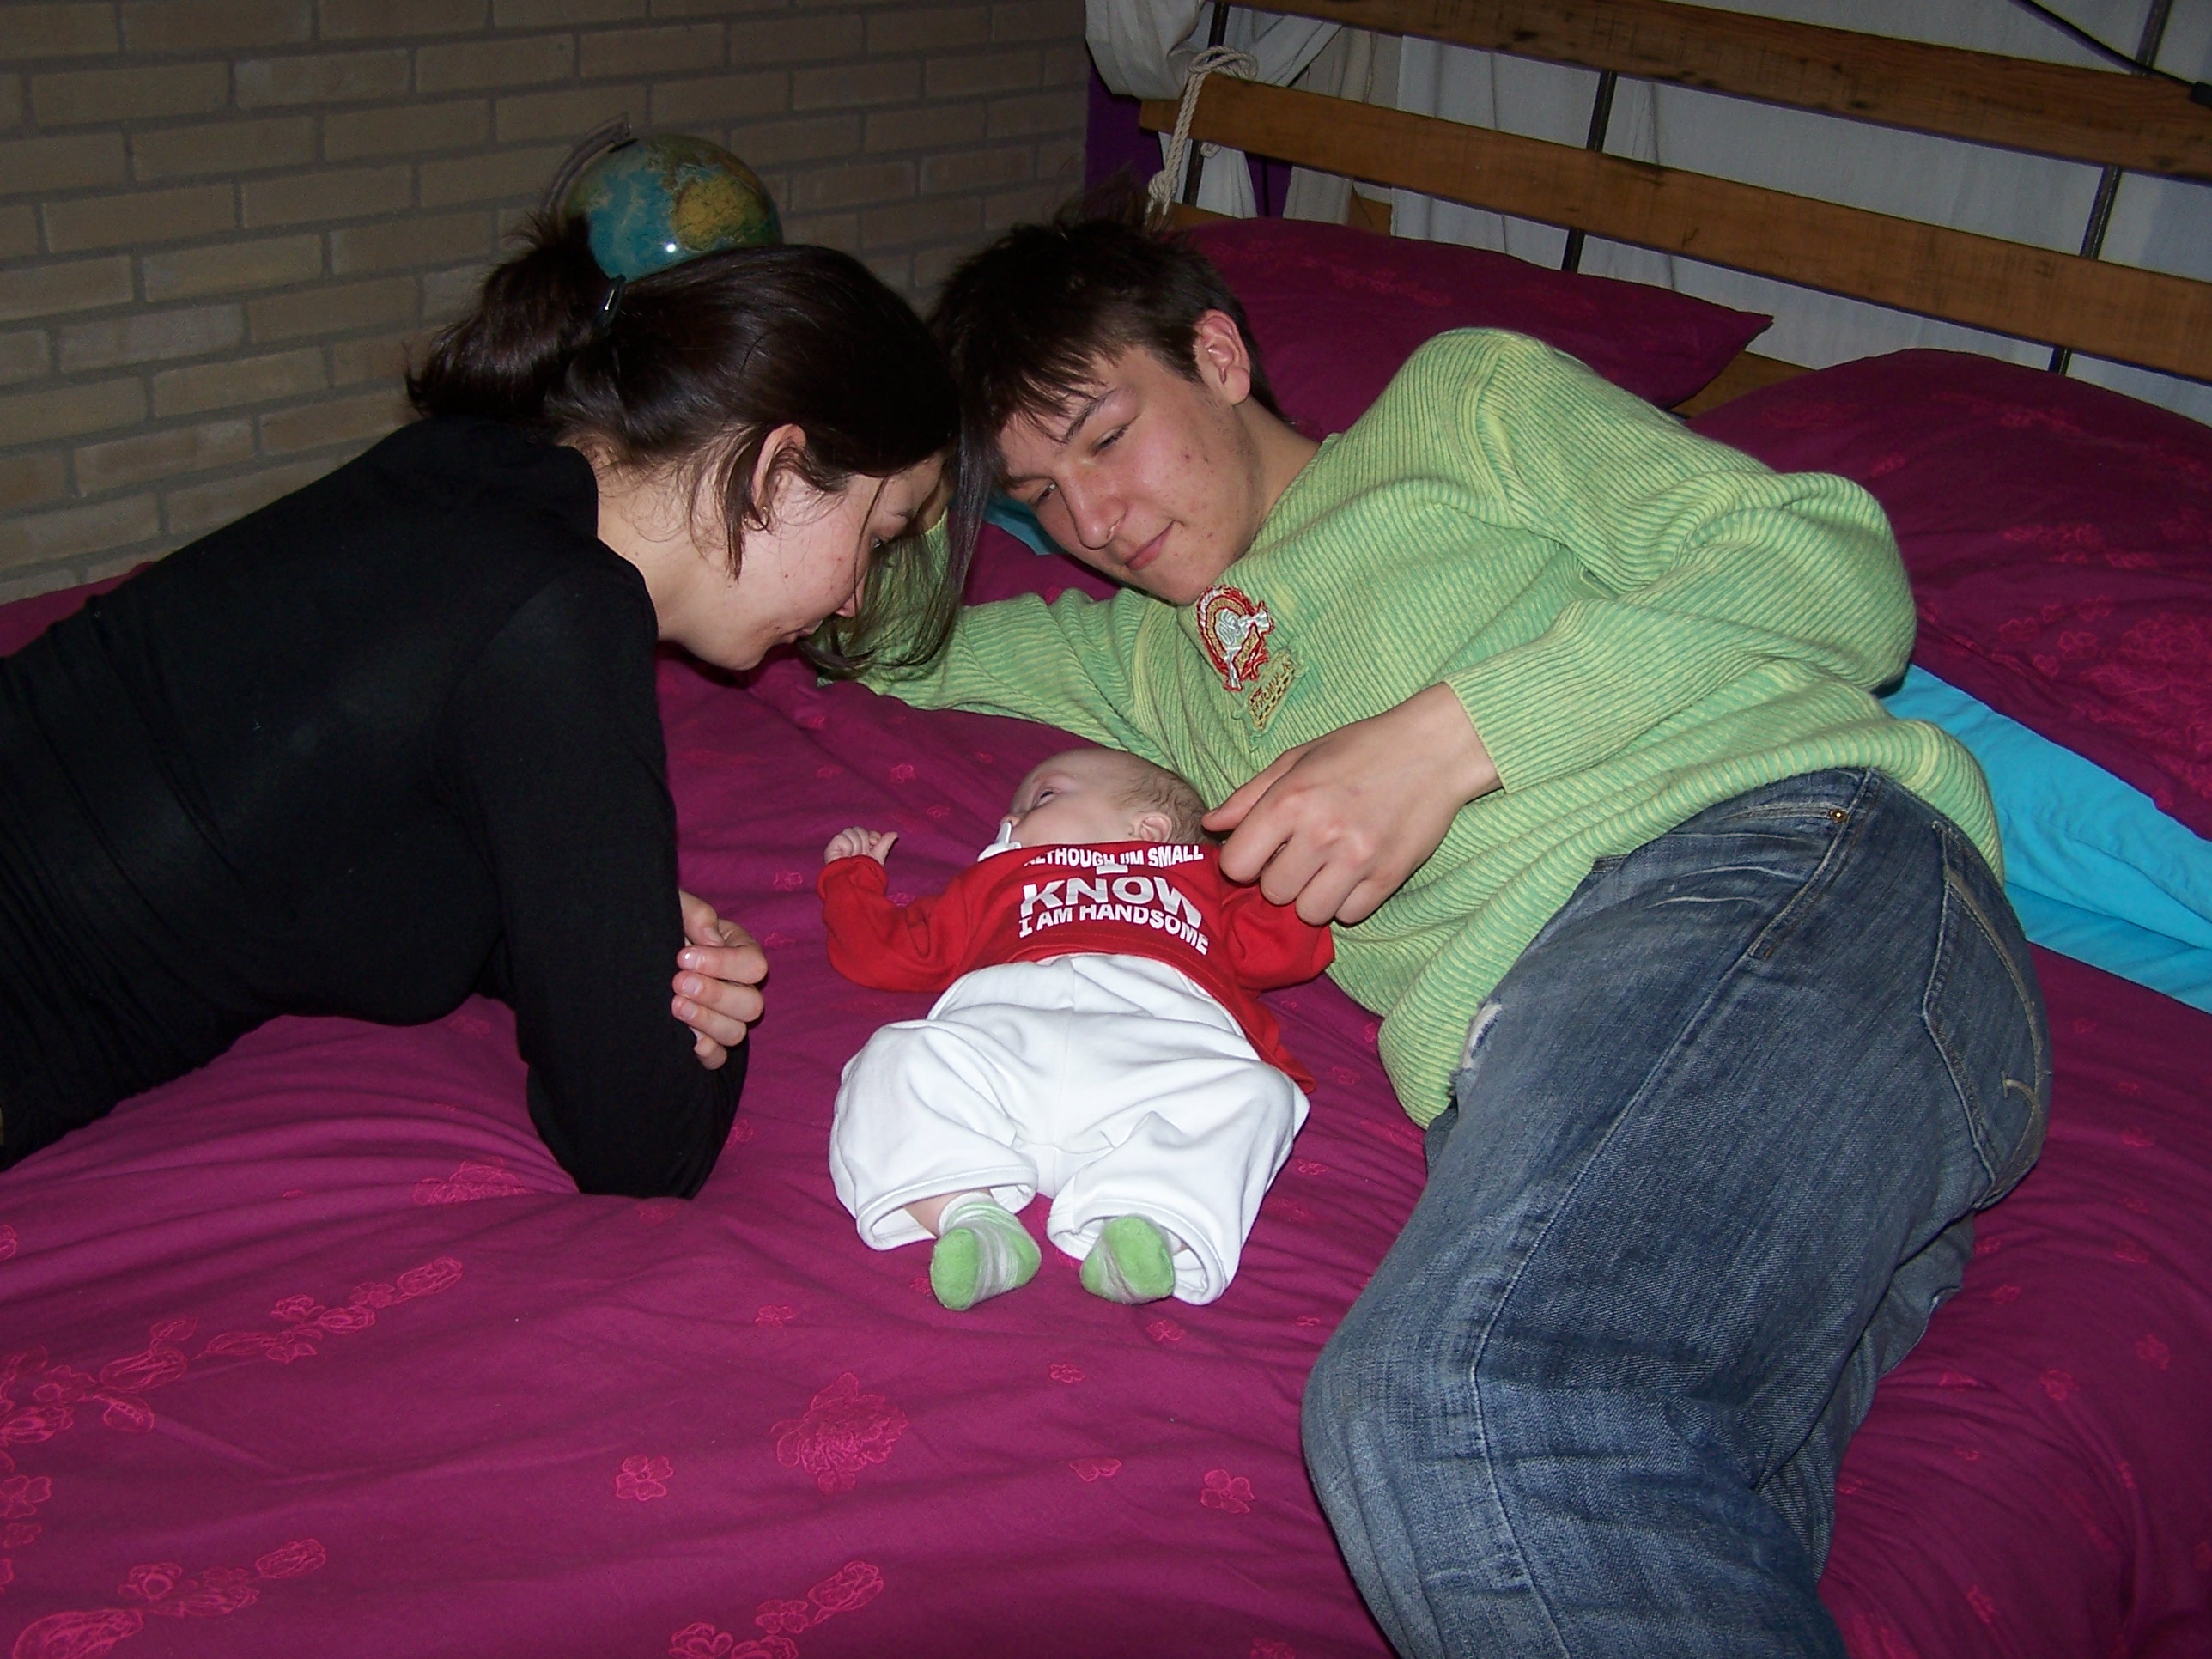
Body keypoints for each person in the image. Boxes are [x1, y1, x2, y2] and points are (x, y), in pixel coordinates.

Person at [862, 210, 2051, 1657]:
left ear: (1219, 356)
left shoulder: (1460, 408)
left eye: (1107, 438)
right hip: (1645, 1068)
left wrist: (1445, 741)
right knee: (1620, 1515)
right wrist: (886, 474)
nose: (1095, 521)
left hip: (1776, 880)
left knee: (1456, 1409)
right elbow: (873, 632)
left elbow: (1825, 562)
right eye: (1042, 495)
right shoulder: (1145, 663)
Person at [0, 214, 977, 1199]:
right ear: (775, 473)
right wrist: (700, 1021)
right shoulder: (559, 616)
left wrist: (590, 927)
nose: (854, 599)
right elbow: (641, 1143)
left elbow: (336, 817)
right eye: (878, 533)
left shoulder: (464, 466)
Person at [818, 745, 1332, 1310]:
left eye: (1043, 797)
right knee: (894, 1054)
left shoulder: (1205, 880)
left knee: (1260, 1093)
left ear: (1149, 831)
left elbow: (1284, 948)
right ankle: (968, 1217)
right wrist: (851, 881)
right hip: (1005, 1045)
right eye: (1013, 811)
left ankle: (1148, 1222)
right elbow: (887, 953)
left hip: (1157, 1055)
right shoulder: (991, 881)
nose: (1010, 818)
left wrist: (1292, 860)